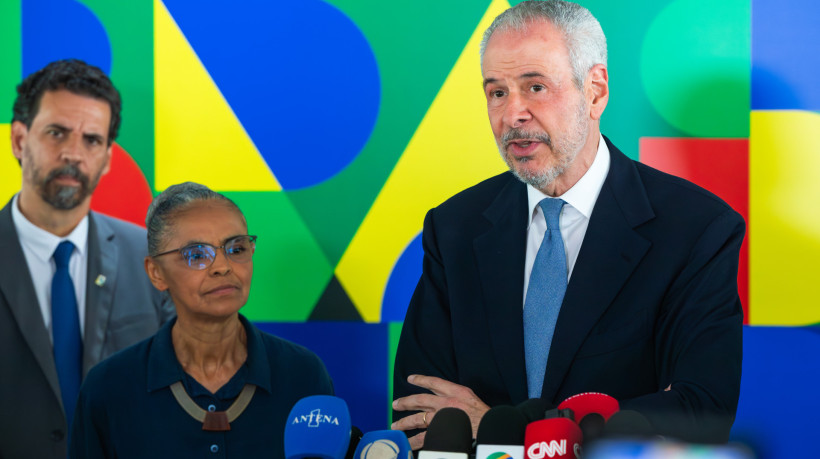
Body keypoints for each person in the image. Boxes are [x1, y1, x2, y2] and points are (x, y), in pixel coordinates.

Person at [391, 0, 744, 448]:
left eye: (535, 87)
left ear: (595, 91)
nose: (512, 115)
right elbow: (420, 411)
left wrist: (511, 433)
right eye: (496, 92)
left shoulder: (695, 229)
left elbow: (701, 409)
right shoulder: (455, 227)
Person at [69, 182, 334, 458]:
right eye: (197, 255)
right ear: (156, 272)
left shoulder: (303, 375)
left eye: (236, 249)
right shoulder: (109, 387)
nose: (222, 267)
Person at [0, 59, 175, 459]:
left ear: (108, 157)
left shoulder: (152, 259)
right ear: (19, 140)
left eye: (91, 140)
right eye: (57, 133)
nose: (73, 154)